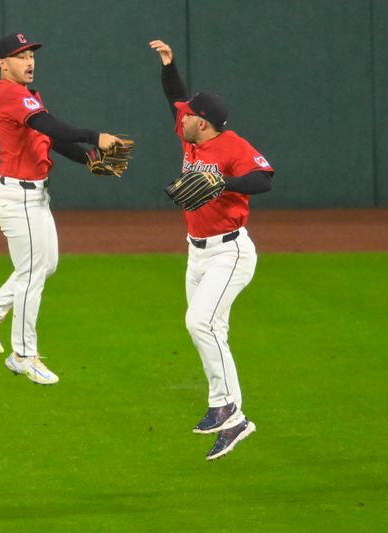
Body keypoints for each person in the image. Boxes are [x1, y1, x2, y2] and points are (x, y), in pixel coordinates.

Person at [0, 32, 123, 385]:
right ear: (2, 64)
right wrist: (94, 135)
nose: (30, 61)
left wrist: (88, 159)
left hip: (34, 197)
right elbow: (51, 126)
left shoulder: (28, 95)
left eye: (31, 54)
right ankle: (23, 355)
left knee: (43, 266)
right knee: (32, 274)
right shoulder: (8, 94)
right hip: (17, 199)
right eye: (21, 56)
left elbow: (48, 138)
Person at [149, 39, 275, 460]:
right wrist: (169, 64)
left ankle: (228, 409)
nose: (181, 116)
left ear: (202, 122)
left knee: (198, 322)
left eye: (189, 115)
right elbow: (175, 95)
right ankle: (231, 416)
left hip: (230, 253)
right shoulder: (192, 135)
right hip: (196, 252)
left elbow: (264, 180)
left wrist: (225, 183)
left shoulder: (233, 146)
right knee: (213, 331)